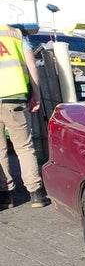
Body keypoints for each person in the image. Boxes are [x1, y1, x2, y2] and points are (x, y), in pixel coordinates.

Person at [0, 24, 49, 209]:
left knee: (0, 150)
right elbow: (31, 64)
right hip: (15, 97)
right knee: (24, 147)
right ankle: (36, 193)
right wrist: (36, 94)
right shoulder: (15, 33)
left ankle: (6, 195)